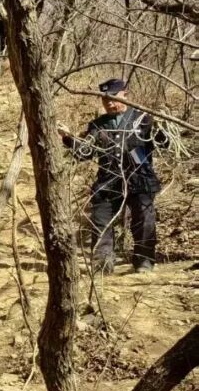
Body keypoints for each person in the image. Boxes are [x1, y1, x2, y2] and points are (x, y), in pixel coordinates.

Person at [58, 78, 169, 273]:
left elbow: (164, 144)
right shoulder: (98, 125)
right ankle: (102, 267)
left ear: (125, 94)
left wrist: (162, 127)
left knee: (144, 220)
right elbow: (85, 152)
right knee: (100, 222)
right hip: (108, 181)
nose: (108, 103)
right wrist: (68, 138)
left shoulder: (144, 119)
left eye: (112, 98)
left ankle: (144, 262)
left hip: (140, 179)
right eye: (104, 99)